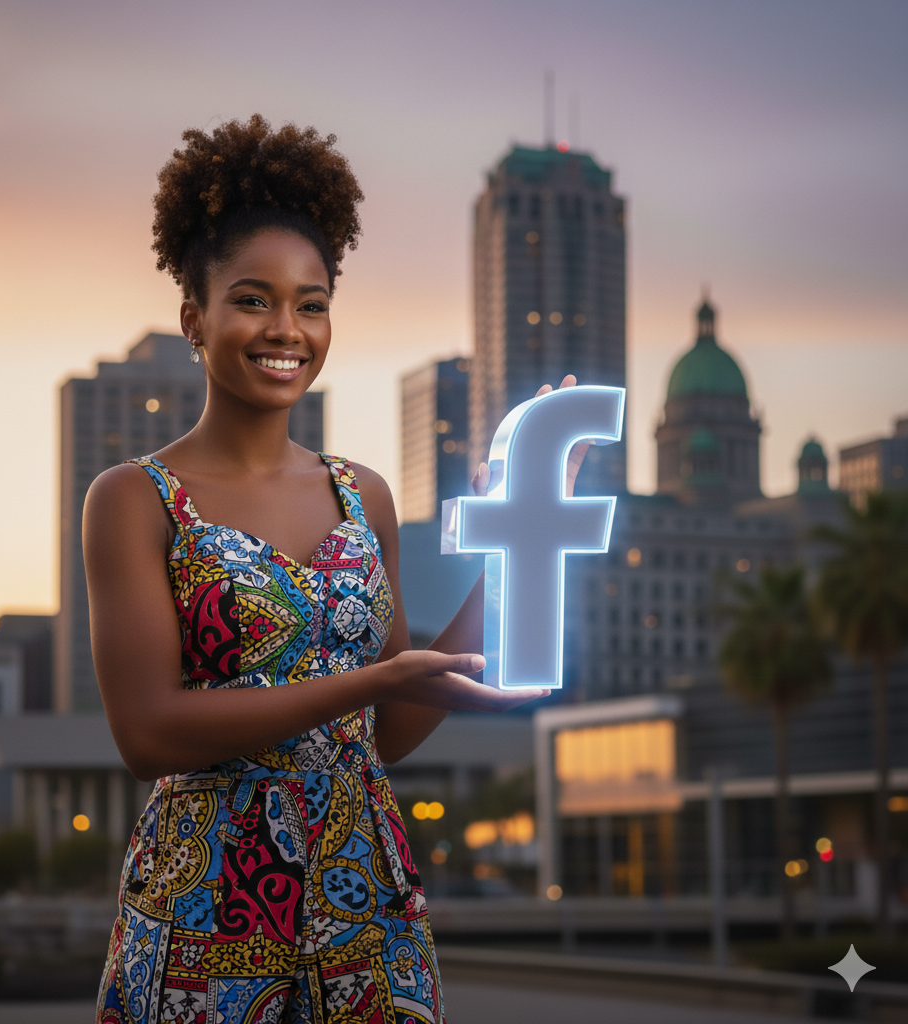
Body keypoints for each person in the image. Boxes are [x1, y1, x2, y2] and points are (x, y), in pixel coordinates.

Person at [87, 115, 583, 1024]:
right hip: (207, 899)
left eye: (311, 303)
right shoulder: (133, 499)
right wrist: (365, 680)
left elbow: (388, 728)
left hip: (367, 891)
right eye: (253, 298)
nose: (288, 330)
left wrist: (518, 541)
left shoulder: (365, 497)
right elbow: (147, 732)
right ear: (193, 315)